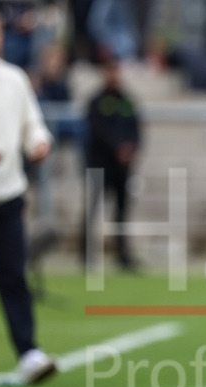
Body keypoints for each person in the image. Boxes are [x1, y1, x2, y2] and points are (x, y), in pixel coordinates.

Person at [0, 6, 56, 385]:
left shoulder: (15, 79)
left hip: (6, 195)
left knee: (13, 277)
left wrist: (39, 143)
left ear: (1, 39)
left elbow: (31, 124)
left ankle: (28, 352)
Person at [82, 58, 141, 271]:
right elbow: (97, 131)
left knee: (122, 212)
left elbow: (137, 129)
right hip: (100, 164)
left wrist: (131, 148)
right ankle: (87, 255)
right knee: (93, 209)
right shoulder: (96, 101)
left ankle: (123, 256)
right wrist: (117, 147)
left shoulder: (127, 101)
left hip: (122, 168)